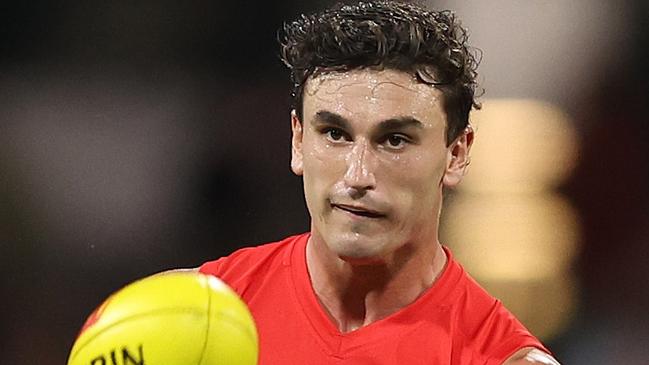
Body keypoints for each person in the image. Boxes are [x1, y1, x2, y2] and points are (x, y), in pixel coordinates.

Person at [198, 1, 560, 364]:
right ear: (298, 141)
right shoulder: (193, 319)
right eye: (335, 134)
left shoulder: (500, 359)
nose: (357, 176)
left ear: (457, 154)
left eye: (394, 140)